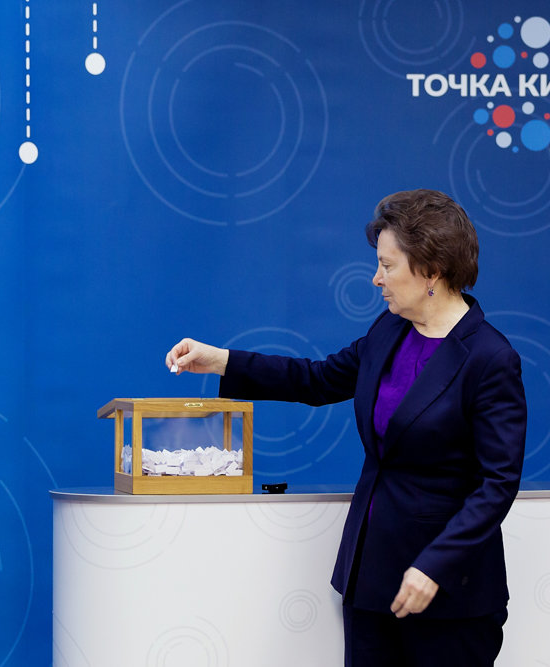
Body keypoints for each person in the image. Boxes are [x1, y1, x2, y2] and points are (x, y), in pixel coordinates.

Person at [166, 189, 526, 666]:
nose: (377, 279)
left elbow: (497, 484)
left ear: (433, 270)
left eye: (387, 266)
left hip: (448, 596)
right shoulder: (388, 330)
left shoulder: (490, 358)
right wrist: (221, 361)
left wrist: (434, 565)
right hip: (371, 580)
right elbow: (316, 380)